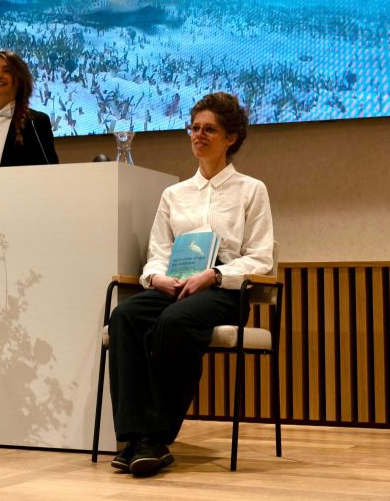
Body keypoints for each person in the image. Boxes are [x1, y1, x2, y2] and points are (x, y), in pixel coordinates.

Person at [108, 92, 274, 477]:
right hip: (176, 283)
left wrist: (215, 275)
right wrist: (156, 278)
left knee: (176, 322)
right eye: (194, 128)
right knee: (125, 316)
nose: (198, 135)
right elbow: (157, 252)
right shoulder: (174, 194)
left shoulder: (251, 190)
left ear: (231, 137)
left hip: (223, 289)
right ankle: (134, 436)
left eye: (209, 130)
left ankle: (156, 437)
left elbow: (261, 257)